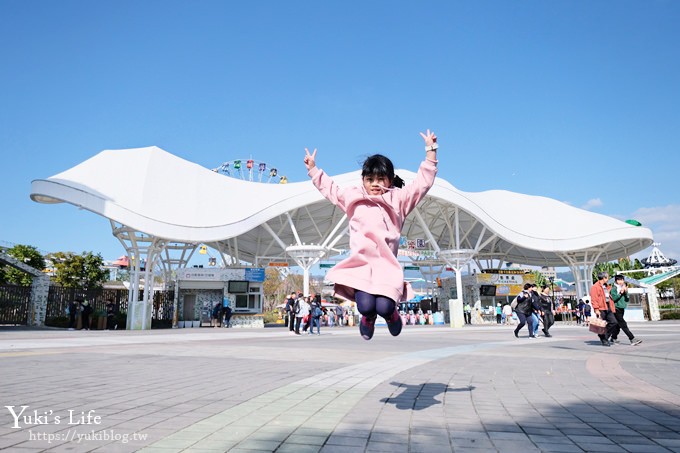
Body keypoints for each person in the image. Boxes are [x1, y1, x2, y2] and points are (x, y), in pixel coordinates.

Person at [304, 130, 439, 340]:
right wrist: (313, 170)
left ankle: (391, 316)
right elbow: (331, 190)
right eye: (370, 179)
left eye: (381, 179)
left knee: (384, 306)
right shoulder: (353, 198)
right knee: (366, 306)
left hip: (386, 266)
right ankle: (368, 319)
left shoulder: (399, 200)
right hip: (361, 265)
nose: (375, 184)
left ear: (390, 180)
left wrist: (430, 151)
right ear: (363, 180)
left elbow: (422, 184)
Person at [610, 274, 642, 346]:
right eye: (619, 280)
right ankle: (632, 339)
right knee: (623, 324)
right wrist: (620, 293)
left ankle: (613, 338)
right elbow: (614, 298)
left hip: (622, 308)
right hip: (616, 308)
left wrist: (625, 292)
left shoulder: (623, 288)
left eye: (622, 280)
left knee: (618, 325)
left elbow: (627, 299)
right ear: (616, 281)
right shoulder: (614, 289)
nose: (621, 282)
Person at [590, 271, 618, 347]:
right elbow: (594, 299)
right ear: (604, 278)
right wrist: (596, 309)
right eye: (607, 277)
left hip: (608, 306)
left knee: (614, 322)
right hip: (601, 308)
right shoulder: (595, 287)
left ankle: (604, 336)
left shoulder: (607, 286)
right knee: (601, 325)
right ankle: (604, 339)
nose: (608, 279)